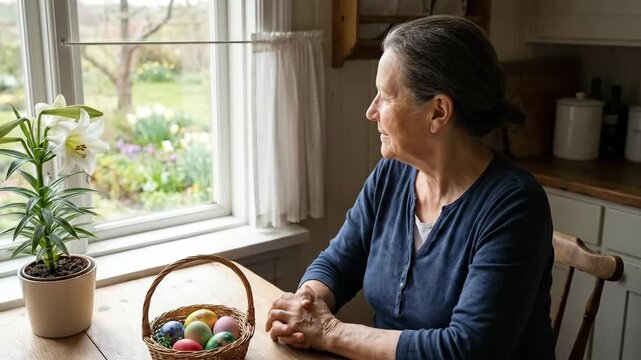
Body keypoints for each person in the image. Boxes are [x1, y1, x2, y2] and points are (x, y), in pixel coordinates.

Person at [266, 15, 555, 360]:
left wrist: (329, 332)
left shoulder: (515, 206)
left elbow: (469, 349)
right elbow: (338, 264)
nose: (371, 112)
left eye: (385, 97)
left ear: (438, 112)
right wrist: (304, 305)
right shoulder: (391, 175)